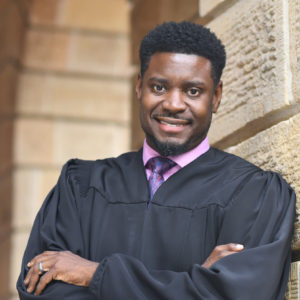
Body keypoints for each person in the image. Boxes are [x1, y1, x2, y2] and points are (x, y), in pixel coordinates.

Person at [17, 21, 295, 300]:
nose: (174, 104)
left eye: (193, 91)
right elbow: (40, 290)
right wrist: (194, 285)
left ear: (216, 96)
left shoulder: (253, 195)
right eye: (159, 87)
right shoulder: (81, 187)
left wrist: (95, 273)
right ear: (139, 87)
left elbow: (236, 296)